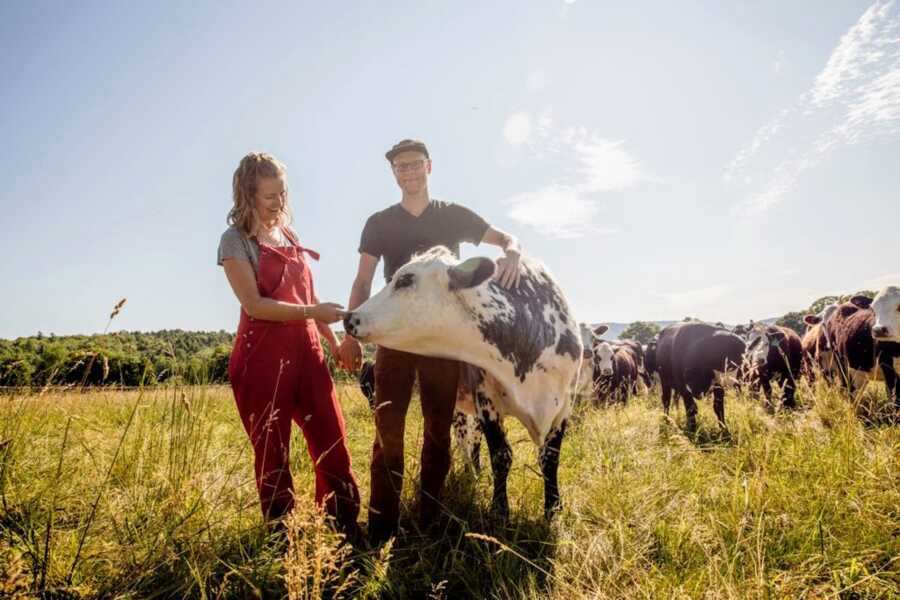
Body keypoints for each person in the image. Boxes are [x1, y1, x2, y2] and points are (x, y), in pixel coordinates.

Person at [337, 139, 523, 543]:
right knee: (388, 429)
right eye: (401, 167)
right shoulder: (380, 223)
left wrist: (513, 252)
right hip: (396, 337)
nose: (409, 172)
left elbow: (505, 238)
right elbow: (364, 280)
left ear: (429, 167)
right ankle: (383, 524)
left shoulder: (453, 215)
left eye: (415, 164)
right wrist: (349, 333)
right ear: (394, 173)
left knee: (439, 429)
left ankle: (431, 520)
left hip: (441, 341)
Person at [218, 152, 359, 533]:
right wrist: (313, 312)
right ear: (247, 195)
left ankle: (343, 529)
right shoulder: (234, 242)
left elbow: (308, 296)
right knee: (272, 454)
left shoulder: (290, 236)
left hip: (307, 355)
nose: (279, 202)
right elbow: (255, 304)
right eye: (269, 196)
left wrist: (332, 341)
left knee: (333, 441)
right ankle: (283, 541)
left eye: (282, 193)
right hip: (260, 362)